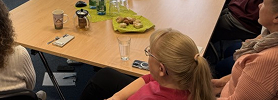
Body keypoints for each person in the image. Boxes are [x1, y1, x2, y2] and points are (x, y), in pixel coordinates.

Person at [79, 28, 214, 100]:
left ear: (161, 69)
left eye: (150, 53)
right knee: (105, 75)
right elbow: (150, 78)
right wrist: (117, 97)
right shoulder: (185, 79)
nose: (148, 55)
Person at [212, 0, 278, 99]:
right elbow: (256, 81)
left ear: (277, 17)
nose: (259, 6)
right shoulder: (275, 38)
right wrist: (223, 83)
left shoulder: (270, 61)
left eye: (264, 3)